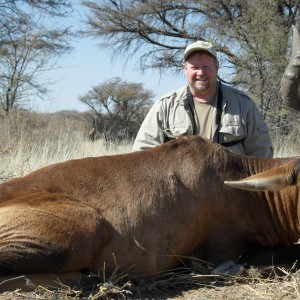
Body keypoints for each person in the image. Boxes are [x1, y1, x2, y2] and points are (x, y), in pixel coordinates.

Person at [132, 40, 273, 158]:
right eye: (195, 67)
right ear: (185, 69)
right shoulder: (164, 106)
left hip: (230, 189)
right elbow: (141, 155)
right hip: (180, 190)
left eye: (206, 66)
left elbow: (262, 154)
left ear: (217, 67)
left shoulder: (243, 104)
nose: (201, 72)